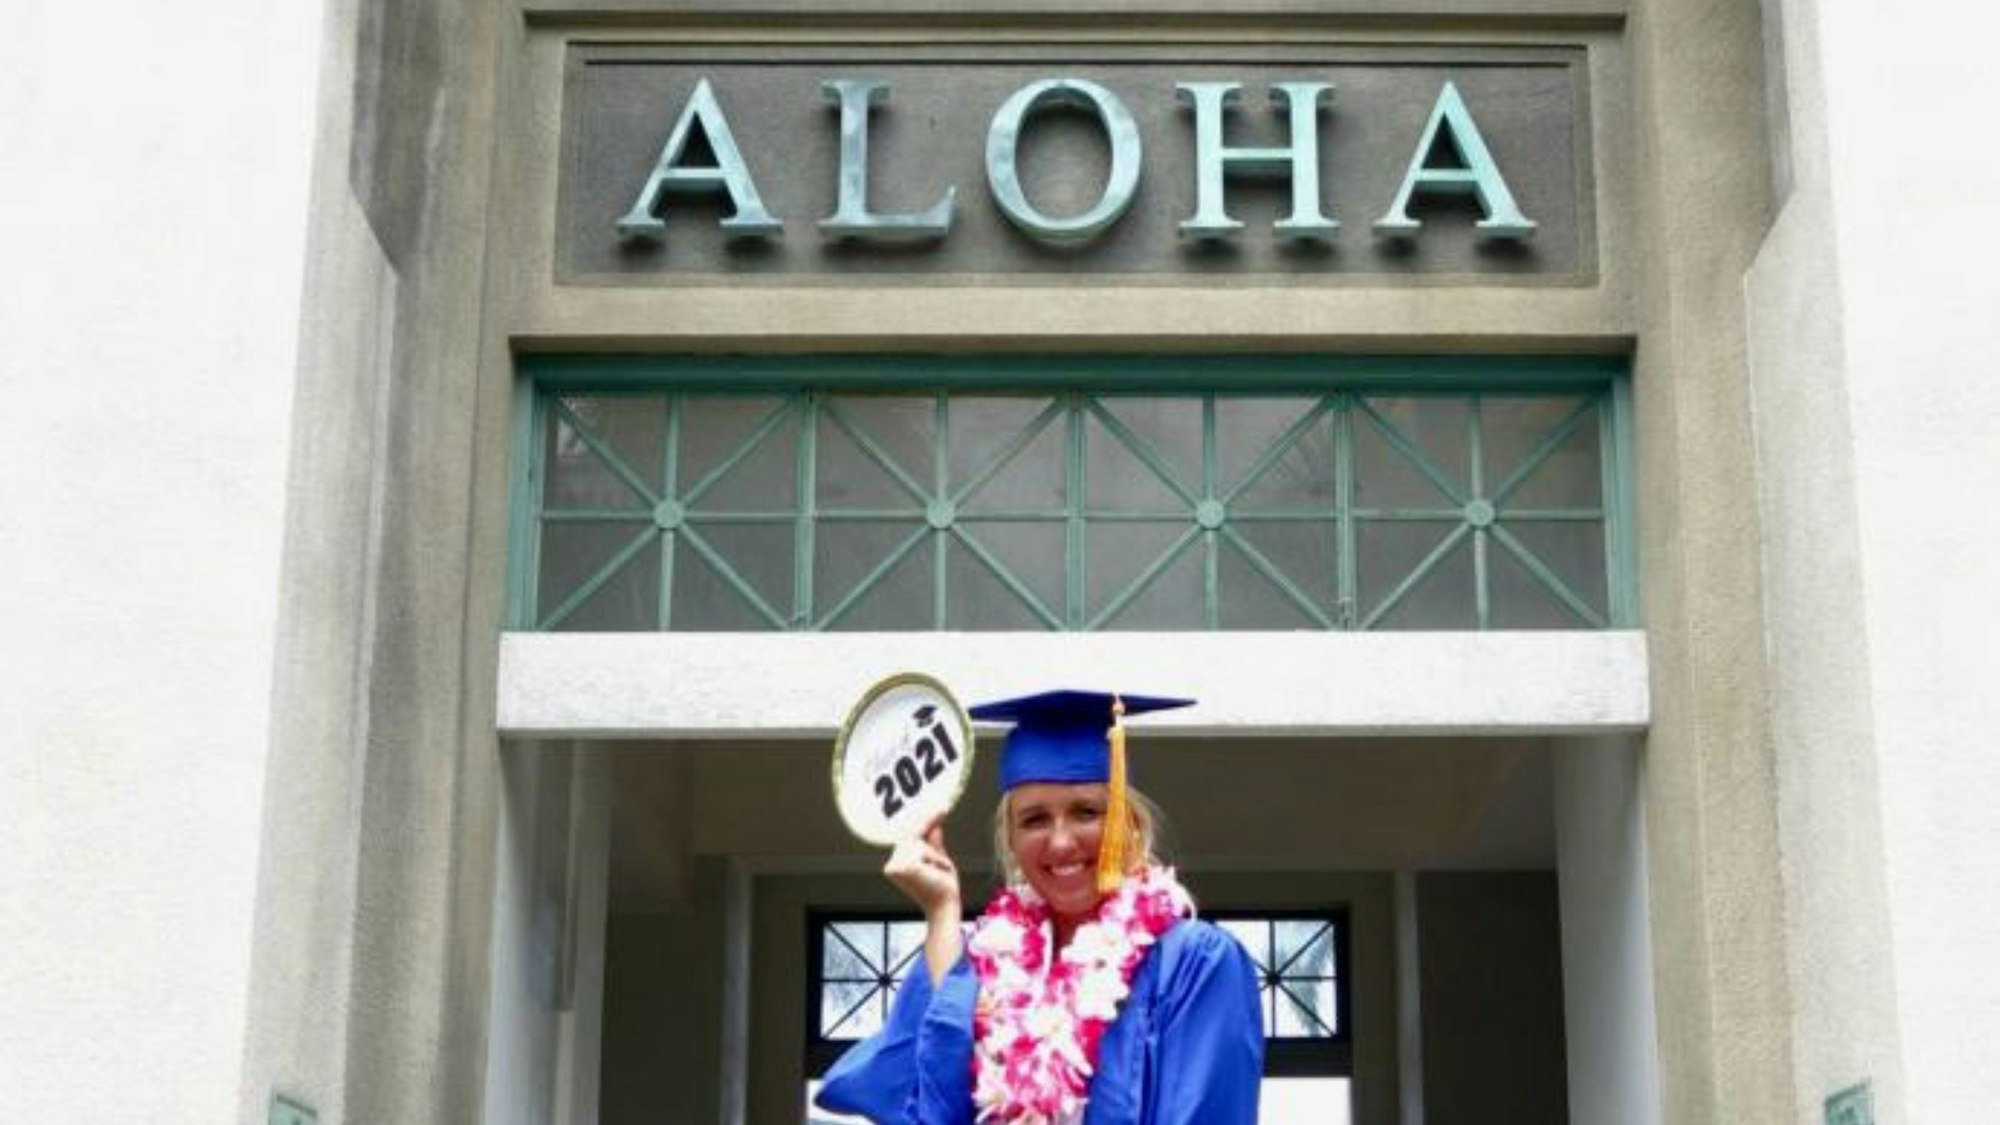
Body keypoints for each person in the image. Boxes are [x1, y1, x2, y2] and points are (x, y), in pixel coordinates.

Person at [815, 689, 1263, 1125]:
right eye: (1034, 819)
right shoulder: (980, 962)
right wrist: (942, 911)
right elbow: (927, 1110)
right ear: (1009, 838)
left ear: (1128, 824)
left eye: (1087, 812)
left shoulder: (1193, 964)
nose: (1062, 841)